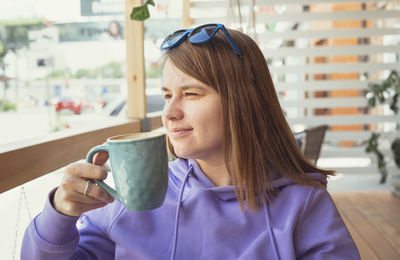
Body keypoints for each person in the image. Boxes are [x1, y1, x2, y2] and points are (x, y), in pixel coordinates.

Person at [21, 23, 360, 259]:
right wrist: (59, 214)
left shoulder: (303, 206)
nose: (169, 112)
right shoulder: (131, 199)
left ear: (243, 101)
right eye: (167, 95)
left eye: (191, 93)